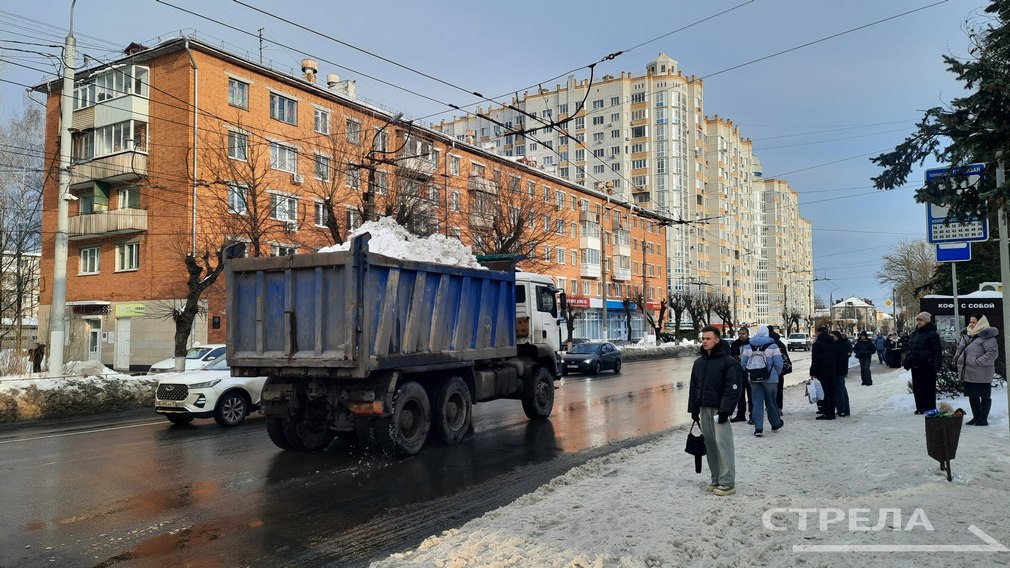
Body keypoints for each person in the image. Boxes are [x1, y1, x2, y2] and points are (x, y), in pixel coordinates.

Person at [687, 325, 743, 496]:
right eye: (703, 339)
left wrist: (726, 411)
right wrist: (693, 409)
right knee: (710, 446)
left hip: (720, 410)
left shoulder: (728, 362)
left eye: (708, 338)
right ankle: (716, 479)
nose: (704, 341)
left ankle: (727, 482)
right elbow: (694, 387)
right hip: (704, 409)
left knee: (723, 445)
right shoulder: (699, 363)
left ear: (717, 340)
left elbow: (733, 388)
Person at [953, 314, 999, 426]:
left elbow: (992, 353)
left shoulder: (987, 336)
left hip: (982, 371)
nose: (971, 324)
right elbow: (960, 350)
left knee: (984, 395)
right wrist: (955, 361)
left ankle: (983, 419)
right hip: (969, 371)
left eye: (974, 322)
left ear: (980, 323)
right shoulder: (967, 335)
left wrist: (976, 362)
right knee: (972, 394)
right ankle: (976, 417)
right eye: (970, 322)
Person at [740, 325, 784, 437]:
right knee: (771, 401)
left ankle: (758, 428)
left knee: (756, 402)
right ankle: (775, 423)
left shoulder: (748, 346)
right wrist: (776, 373)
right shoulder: (773, 346)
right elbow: (779, 363)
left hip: (753, 378)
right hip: (770, 379)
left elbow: (743, 363)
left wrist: (750, 372)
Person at [903, 312, 943, 414]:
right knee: (918, 388)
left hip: (927, 367)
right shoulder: (915, 333)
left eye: (921, 320)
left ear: (927, 321)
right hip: (916, 366)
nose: (919, 322)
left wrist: (936, 366)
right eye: (918, 320)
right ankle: (920, 408)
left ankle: (929, 408)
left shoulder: (932, 334)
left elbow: (937, 352)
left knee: (928, 389)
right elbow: (911, 349)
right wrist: (907, 361)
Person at [810, 326, 837, 420]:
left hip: (822, 371)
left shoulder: (817, 344)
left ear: (819, 333)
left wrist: (813, 372)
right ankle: (832, 412)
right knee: (831, 392)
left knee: (823, 392)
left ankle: (826, 413)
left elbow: (816, 359)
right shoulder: (832, 343)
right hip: (832, 371)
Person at [728, 326, 752, 423]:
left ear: (747, 334)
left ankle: (752, 415)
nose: (741, 336)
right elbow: (731, 357)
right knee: (739, 395)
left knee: (751, 396)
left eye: (743, 334)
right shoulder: (735, 344)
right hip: (738, 373)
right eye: (740, 334)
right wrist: (737, 357)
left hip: (750, 372)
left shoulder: (751, 343)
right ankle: (740, 415)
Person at [767, 325, 791, 413]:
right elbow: (785, 356)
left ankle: (771, 407)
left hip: (768, 371)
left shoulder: (767, 343)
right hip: (779, 370)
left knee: (769, 390)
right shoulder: (780, 343)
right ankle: (779, 408)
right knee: (779, 389)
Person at [831, 331, 852, 416]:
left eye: (833, 336)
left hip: (839, 370)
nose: (831, 338)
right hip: (838, 370)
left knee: (840, 390)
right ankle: (842, 409)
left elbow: (841, 358)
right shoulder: (836, 344)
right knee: (839, 389)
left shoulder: (840, 345)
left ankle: (843, 409)